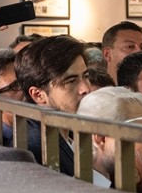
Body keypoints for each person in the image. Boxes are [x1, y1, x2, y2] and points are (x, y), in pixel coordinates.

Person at [13, 34, 92, 173]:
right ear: (38, 95)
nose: (86, 89)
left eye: (86, 76)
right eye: (71, 81)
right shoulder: (35, 149)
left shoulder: (69, 129)